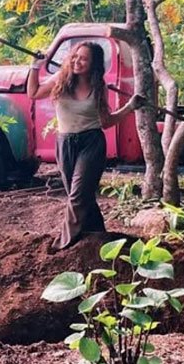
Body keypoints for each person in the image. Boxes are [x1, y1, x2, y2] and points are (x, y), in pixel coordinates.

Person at [26, 41, 141, 249]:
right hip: (65, 143)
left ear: (94, 64)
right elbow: (33, 93)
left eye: (84, 59)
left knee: (78, 196)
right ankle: (98, 237)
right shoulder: (61, 79)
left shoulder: (99, 87)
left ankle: (63, 244)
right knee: (82, 195)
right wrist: (35, 66)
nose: (77, 61)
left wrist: (129, 107)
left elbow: (106, 121)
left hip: (91, 143)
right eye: (75, 57)